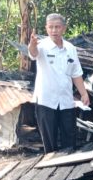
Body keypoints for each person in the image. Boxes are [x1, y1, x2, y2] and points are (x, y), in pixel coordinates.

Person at [27, 13, 89, 153]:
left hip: (66, 100)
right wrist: (32, 45)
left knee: (69, 137)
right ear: (46, 28)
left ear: (64, 29)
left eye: (57, 27)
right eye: (51, 27)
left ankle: (70, 167)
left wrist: (84, 93)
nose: (54, 30)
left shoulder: (70, 48)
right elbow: (33, 54)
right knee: (50, 141)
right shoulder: (41, 46)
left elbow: (76, 73)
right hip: (46, 101)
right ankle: (52, 170)